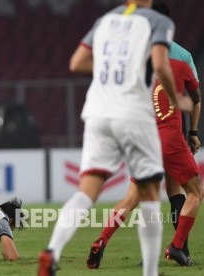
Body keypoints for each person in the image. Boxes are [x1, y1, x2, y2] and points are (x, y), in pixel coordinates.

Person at [37, 1, 193, 276]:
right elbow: (160, 63)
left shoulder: (106, 20)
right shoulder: (157, 22)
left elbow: (77, 63)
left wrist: (112, 69)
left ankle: (52, 251)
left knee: (86, 191)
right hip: (133, 114)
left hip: (97, 112)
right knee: (147, 196)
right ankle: (151, 271)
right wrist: (177, 98)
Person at [86, 1, 203, 268]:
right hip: (170, 134)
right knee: (190, 191)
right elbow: (195, 98)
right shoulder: (182, 57)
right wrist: (193, 132)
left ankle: (102, 240)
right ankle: (178, 247)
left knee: (135, 196)